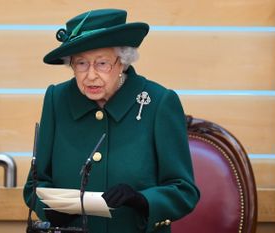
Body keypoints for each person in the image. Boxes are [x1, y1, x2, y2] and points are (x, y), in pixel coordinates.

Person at [23, 8, 200, 233]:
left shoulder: (158, 102)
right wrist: (49, 209)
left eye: (102, 63)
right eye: (81, 63)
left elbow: (184, 191)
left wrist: (142, 200)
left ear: (123, 62)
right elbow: (34, 185)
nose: (91, 75)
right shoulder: (57, 100)